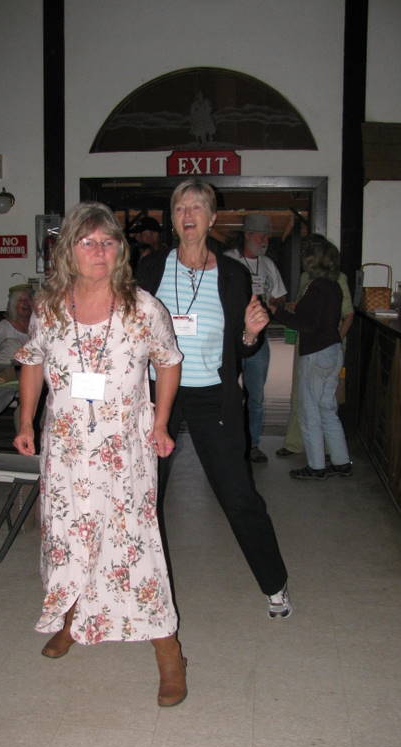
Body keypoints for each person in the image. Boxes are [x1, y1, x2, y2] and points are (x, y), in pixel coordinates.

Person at [13, 201, 188, 707]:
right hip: (66, 450)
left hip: (123, 450)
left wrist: (160, 422)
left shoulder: (143, 308)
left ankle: (168, 649)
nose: (98, 251)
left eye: (108, 242)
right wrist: (25, 420)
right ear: (68, 250)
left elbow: (168, 361)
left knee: (135, 545)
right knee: (68, 539)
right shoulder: (49, 308)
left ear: (120, 251)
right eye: (87, 242)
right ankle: (72, 619)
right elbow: (32, 361)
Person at [135, 179, 291, 619]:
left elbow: (242, 348)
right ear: (172, 218)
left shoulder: (233, 275)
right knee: (144, 494)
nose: (188, 215)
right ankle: (138, 589)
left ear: (212, 218)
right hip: (155, 394)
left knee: (239, 495)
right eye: (180, 208)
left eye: (197, 207)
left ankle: (274, 584)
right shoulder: (151, 269)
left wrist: (251, 333)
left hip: (212, 394)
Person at [270, 235, 351, 480]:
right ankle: (341, 461)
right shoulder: (334, 286)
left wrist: (277, 313)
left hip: (315, 353)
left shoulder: (316, 288)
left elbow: (306, 324)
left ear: (312, 261)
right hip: (333, 350)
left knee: (309, 411)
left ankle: (316, 466)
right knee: (327, 409)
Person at [225, 214, 287, 463]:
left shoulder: (268, 264)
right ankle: (228, 441)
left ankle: (253, 444)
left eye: (267, 237)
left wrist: (272, 306)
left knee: (256, 395)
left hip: (259, 340)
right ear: (247, 235)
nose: (265, 241)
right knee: (227, 392)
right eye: (261, 236)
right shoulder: (228, 260)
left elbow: (280, 295)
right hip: (229, 339)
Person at [0, 284, 34, 364]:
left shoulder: (38, 325)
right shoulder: (4, 326)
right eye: (21, 300)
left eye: (28, 300)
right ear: (13, 305)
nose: (26, 303)